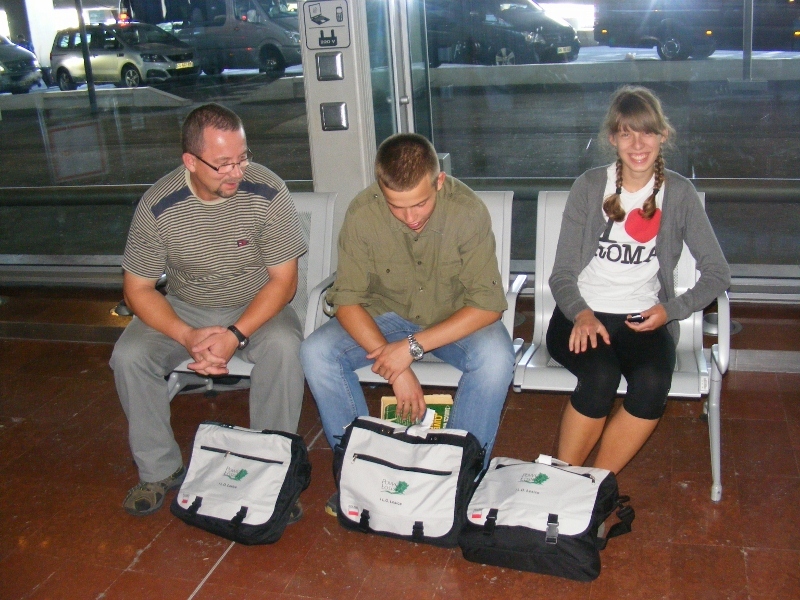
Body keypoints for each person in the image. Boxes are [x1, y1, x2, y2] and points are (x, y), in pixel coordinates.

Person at [300, 133, 516, 513]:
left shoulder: (467, 212)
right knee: (315, 352)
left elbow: (488, 306)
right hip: (384, 315)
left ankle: (458, 479)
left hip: (452, 320)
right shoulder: (363, 213)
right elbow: (347, 300)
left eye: (420, 203)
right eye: (397, 207)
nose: (411, 217)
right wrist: (397, 369)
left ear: (439, 181)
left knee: (497, 358)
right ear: (380, 188)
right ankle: (357, 474)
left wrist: (412, 349)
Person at [110, 103, 307, 517]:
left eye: (242, 158)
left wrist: (235, 335)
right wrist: (186, 335)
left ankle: (272, 469)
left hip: (257, 302)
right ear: (190, 161)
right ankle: (160, 469)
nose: (237, 172)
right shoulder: (158, 205)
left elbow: (284, 283)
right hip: (187, 305)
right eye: (223, 164)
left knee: (284, 347)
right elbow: (138, 289)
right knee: (130, 356)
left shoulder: (267, 191)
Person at [546, 86, 730, 474]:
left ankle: (597, 486)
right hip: (581, 315)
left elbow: (718, 273)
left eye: (647, 132)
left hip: (643, 318)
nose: (637, 144)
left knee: (651, 383)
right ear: (612, 139)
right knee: (600, 376)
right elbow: (561, 274)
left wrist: (670, 310)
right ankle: (562, 482)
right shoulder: (589, 187)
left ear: (663, 135)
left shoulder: (679, 194)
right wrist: (581, 314)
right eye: (626, 133)